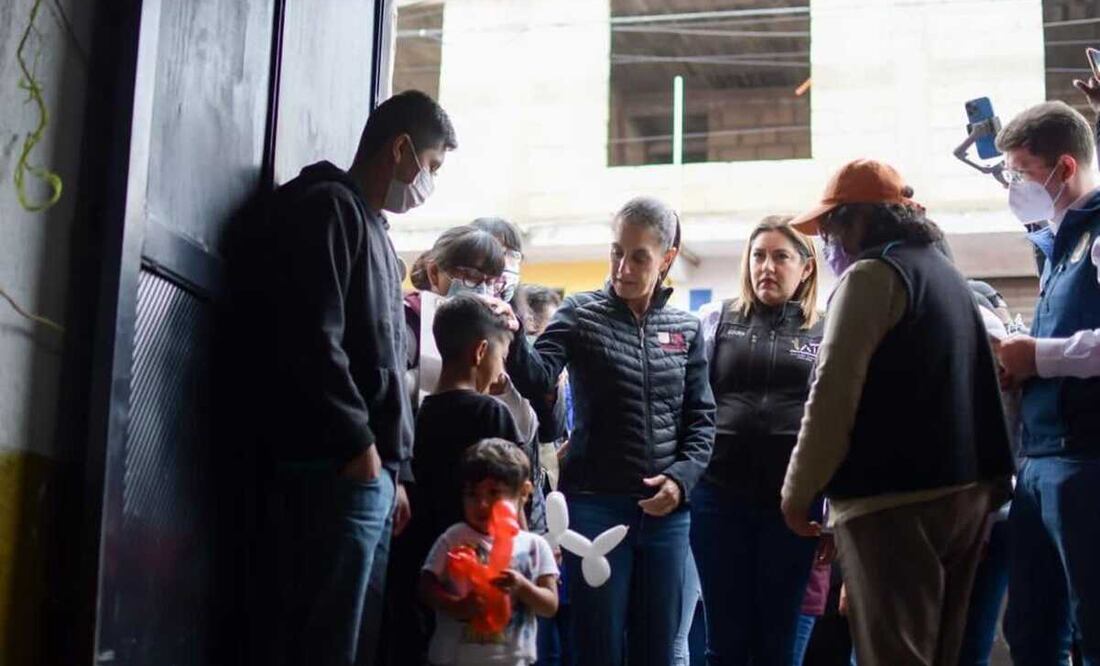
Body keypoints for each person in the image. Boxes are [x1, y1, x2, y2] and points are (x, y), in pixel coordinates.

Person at [779, 159, 1014, 666]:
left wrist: (798, 493)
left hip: (894, 504)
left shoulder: (872, 276)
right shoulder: (945, 273)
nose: (828, 243)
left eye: (831, 226)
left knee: (895, 654)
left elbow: (832, 394)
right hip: (966, 493)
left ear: (860, 219)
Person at [251, 89, 456, 666]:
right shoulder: (328, 210)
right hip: (336, 468)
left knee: (355, 638)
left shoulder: (377, 234)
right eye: (431, 166)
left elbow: (384, 362)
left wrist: (397, 471)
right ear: (401, 149)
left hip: (372, 475)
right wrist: (358, 444)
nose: (428, 182)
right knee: (326, 640)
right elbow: (314, 338)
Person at [505, 196, 716, 666]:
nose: (623, 268)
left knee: (657, 650)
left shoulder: (686, 328)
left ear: (667, 258)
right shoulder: (579, 313)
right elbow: (537, 379)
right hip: (594, 506)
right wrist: (515, 333)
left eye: (639, 256)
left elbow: (703, 420)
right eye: (617, 252)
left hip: (666, 514)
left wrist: (680, 481)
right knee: (596, 647)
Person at [693, 216, 827, 666]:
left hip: (792, 506)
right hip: (718, 499)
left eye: (780, 257)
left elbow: (837, 421)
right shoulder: (715, 320)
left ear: (805, 267)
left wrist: (828, 508)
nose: (766, 267)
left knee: (778, 644)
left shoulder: (827, 330)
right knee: (724, 643)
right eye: (758, 256)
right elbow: (691, 406)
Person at [994, 100, 1100, 665]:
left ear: (1065, 168)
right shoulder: (1059, 244)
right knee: (1032, 634)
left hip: (1085, 458)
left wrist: (1040, 356)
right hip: (1038, 460)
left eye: (1022, 173)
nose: (1014, 188)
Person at [420, 439, 560, 666]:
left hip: (513, 660)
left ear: (524, 493)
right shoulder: (454, 537)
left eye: (494, 493)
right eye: (472, 494)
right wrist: (456, 605)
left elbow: (550, 605)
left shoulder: (535, 546)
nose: (482, 503)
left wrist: (522, 587)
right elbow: (426, 586)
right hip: (455, 658)